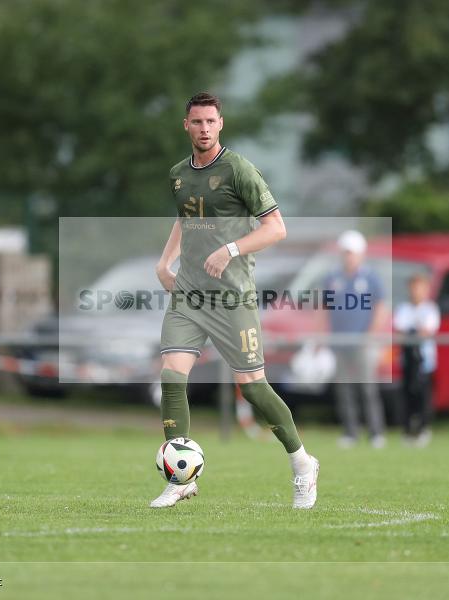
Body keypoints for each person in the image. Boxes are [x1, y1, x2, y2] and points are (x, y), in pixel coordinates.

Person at [152, 92, 319, 508]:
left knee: (252, 388)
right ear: (185, 126)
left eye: (211, 121)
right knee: (172, 375)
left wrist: (230, 250)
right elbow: (186, 217)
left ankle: (302, 463)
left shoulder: (239, 169)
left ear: (220, 124)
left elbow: (276, 228)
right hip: (189, 294)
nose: (204, 129)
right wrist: (164, 262)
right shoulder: (177, 174)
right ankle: (180, 479)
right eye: (197, 122)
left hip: (232, 299)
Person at [322, 230, 388, 449]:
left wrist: (370, 335)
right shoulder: (332, 278)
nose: (348, 257)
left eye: (351, 253)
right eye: (345, 253)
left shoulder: (370, 278)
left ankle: (376, 432)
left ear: (360, 254)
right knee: (344, 389)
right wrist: (321, 336)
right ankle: (350, 432)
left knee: (367, 388)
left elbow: (381, 308)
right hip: (339, 343)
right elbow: (323, 309)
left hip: (363, 343)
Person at [393, 274, 441, 447]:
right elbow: (400, 331)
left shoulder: (430, 309)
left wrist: (412, 333)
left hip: (424, 362)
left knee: (423, 396)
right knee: (407, 396)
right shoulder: (403, 308)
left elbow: (427, 331)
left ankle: (423, 428)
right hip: (407, 360)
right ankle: (407, 430)